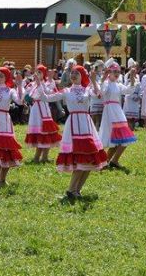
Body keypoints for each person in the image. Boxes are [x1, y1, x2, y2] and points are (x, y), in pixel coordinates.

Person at [42, 65, 107, 199]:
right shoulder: (66, 90)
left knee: (90, 158)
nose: (73, 75)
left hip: (86, 125)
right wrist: (39, 83)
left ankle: (77, 190)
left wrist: (94, 81)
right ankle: (71, 189)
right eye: (72, 73)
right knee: (80, 159)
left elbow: (99, 95)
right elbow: (48, 98)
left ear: (82, 75)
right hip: (73, 126)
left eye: (77, 73)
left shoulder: (87, 89)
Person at [98, 59, 138, 169]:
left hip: (118, 112)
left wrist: (132, 78)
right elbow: (101, 92)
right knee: (112, 137)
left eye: (118, 72)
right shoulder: (106, 84)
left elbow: (129, 90)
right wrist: (102, 79)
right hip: (109, 112)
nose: (116, 74)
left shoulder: (118, 85)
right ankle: (105, 161)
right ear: (109, 73)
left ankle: (114, 160)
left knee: (124, 137)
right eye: (114, 72)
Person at [24, 65, 62, 164]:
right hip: (36, 110)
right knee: (39, 133)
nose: (37, 74)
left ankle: (44, 156)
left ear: (44, 74)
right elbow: (27, 94)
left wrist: (39, 83)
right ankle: (37, 157)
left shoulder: (46, 84)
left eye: (40, 72)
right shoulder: (32, 85)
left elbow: (47, 93)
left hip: (44, 109)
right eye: (36, 72)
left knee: (47, 132)